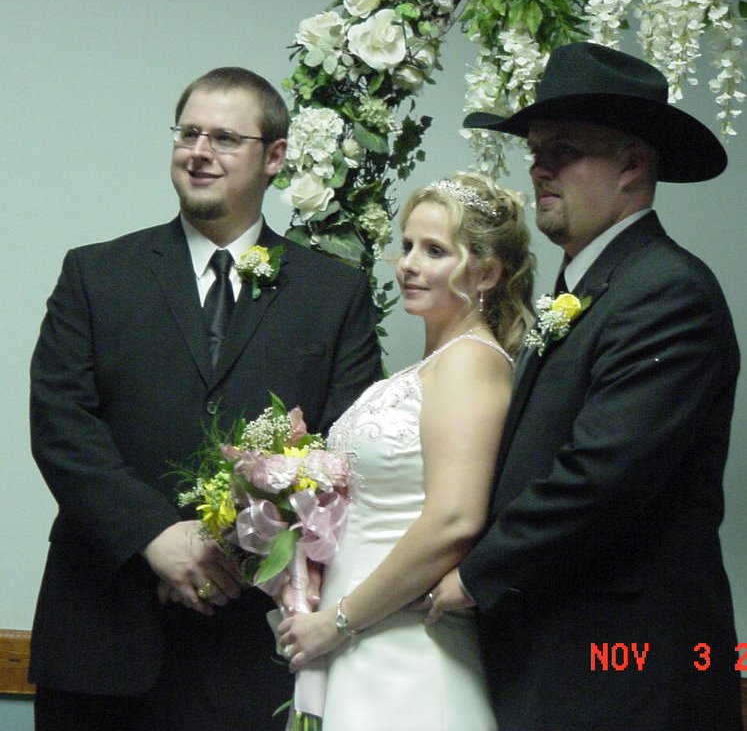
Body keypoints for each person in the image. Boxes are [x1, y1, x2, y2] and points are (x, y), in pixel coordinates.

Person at [28, 66, 382, 731]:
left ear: (274, 156)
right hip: (103, 629)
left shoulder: (332, 294)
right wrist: (155, 536)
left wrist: (233, 550)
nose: (198, 152)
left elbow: (346, 450)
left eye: (224, 138)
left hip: (250, 641)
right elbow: (61, 425)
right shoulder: (96, 274)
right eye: (187, 133)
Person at [427, 42, 742, 730]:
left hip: (625, 667)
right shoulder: (592, 287)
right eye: (535, 151)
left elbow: (599, 474)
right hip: (555, 651)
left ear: (631, 164)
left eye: (562, 150)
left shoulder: (667, 291)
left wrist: (475, 576)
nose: (538, 168)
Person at [277, 171, 535, 730]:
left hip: (406, 648)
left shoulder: (470, 362)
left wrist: (337, 622)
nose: (409, 264)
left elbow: (454, 519)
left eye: (435, 251)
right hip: (366, 637)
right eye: (408, 245)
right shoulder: (431, 366)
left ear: (487, 272)